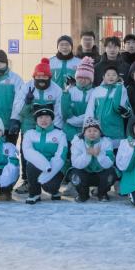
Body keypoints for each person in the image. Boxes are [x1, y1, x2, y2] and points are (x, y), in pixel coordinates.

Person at [9, 58, 63, 194]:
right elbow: (18, 109)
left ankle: (50, 176)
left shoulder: (56, 90)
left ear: (49, 77)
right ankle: (27, 180)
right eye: (38, 77)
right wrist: (27, 103)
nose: (41, 79)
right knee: (27, 152)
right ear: (34, 76)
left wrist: (57, 128)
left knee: (49, 150)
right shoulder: (26, 87)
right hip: (29, 125)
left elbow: (59, 111)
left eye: (44, 77)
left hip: (49, 126)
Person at [21, 104, 68, 204]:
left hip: (54, 168)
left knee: (50, 186)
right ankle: (34, 193)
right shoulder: (29, 134)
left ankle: (54, 191)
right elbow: (28, 152)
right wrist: (45, 165)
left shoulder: (60, 134)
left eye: (47, 117)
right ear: (36, 120)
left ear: (52, 119)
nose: (44, 120)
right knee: (31, 165)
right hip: (39, 166)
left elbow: (61, 156)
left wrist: (49, 172)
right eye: (40, 117)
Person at [69, 117, 117, 202]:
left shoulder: (106, 142)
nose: (92, 133)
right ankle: (83, 194)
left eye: (95, 131)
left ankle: (102, 193)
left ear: (100, 133)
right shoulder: (77, 142)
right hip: (85, 174)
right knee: (75, 173)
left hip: (100, 174)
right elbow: (75, 163)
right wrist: (87, 154)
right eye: (89, 131)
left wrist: (99, 155)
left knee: (111, 173)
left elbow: (110, 162)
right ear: (84, 133)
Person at [87, 62, 130, 143]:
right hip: (99, 130)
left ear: (118, 77)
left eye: (114, 75)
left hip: (115, 130)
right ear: (103, 77)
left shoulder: (122, 89)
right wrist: (88, 126)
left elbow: (122, 106)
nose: (111, 77)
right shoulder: (97, 90)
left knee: (115, 149)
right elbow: (90, 109)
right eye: (108, 75)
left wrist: (119, 87)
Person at [61, 57, 95, 145]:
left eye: (86, 78)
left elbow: (93, 112)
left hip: (88, 132)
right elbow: (65, 112)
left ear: (91, 79)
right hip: (69, 132)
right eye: (80, 77)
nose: (82, 80)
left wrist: (76, 120)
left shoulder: (95, 92)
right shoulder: (69, 91)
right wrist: (71, 119)